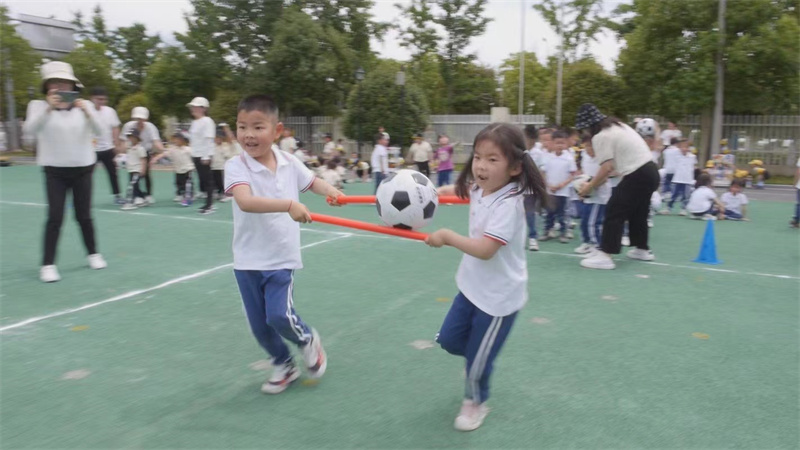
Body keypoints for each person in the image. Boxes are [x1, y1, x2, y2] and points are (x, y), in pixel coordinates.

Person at [424, 123, 547, 431]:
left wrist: (448, 237)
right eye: (478, 156)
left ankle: (475, 401)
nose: (481, 165)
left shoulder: (510, 203)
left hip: (498, 299)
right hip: (471, 287)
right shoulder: (482, 187)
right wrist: (443, 191)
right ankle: (478, 361)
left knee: (478, 362)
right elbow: (465, 191)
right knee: (451, 340)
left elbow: (486, 249)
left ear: (515, 167)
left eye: (493, 159)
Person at [224, 95, 344, 394]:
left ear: (276, 130)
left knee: (279, 315)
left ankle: (306, 340)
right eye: (242, 127)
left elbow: (312, 181)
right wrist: (288, 204)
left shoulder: (290, 162)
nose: (248, 135)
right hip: (247, 259)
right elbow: (246, 201)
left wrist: (331, 190)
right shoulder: (235, 165)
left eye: (257, 127)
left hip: (280, 256)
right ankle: (283, 364)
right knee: (260, 326)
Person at [23, 61, 107, 282]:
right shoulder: (38, 107)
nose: (60, 87)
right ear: (47, 87)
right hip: (55, 171)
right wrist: (49, 108)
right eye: (55, 83)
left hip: (83, 169)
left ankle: (93, 253)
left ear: (73, 86)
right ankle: (48, 265)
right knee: (55, 217)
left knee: (84, 216)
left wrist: (88, 111)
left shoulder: (84, 106)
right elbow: (29, 131)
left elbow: (100, 130)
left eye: (65, 83)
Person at [575, 103, 660, 270]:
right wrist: (594, 182)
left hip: (637, 173)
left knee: (614, 210)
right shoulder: (618, 126)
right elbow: (613, 168)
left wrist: (589, 187)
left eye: (584, 129)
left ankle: (606, 255)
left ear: (589, 126)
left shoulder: (601, 136)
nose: (584, 133)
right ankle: (642, 249)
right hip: (650, 172)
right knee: (639, 212)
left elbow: (606, 168)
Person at [121, 107, 165, 204]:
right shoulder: (128, 126)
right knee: (133, 174)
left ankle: (148, 195)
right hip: (132, 152)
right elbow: (123, 142)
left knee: (146, 174)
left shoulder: (151, 127)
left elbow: (156, 142)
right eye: (137, 118)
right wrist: (122, 154)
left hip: (145, 152)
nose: (139, 121)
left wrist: (164, 150)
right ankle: (137, 195)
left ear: (146, 119)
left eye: (142, 118)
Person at [540, 129, 577, 244]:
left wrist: (562, 184)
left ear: (566, 143)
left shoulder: (569, 158)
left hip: (563, 191)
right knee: (549, 213)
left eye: (562, 143)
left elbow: (572, 174)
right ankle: (547, 231)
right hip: (550, 191)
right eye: (557, 143)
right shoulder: (547, 157)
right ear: (552, 143)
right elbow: (543, 173)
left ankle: (563, 233)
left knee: (562, 214)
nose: (559, 145)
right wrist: (548, 185)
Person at [575, 136, 611, 254]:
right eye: (586, 146)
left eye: (590, 146)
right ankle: (587, 243)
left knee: (593, 222)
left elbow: (604, 178)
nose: (588, 149)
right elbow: (584, 175)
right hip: (587, 196)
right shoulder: (585, 156)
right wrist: (581, 190)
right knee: (584, 221)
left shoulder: (602, 159)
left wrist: (590, 186)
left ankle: (598, 247)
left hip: (599, 197)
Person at [89, 87, 124, 204]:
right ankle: (79, 199)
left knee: (113, 173)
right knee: (85, 176)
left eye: (104, 99)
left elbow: (115, 128)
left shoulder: (110, 111)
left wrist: (117, 145)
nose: (101, 102)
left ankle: (117, 196)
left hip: (108, 148)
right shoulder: (85, 110)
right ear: (92, 98)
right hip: (90, 150)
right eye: (99, 99)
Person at [187, 97, 216, 214]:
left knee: (207, 180)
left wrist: (206, 156)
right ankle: (207, 203)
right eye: (192, 107)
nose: (192, 109)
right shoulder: (194, 122)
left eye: (195, 107)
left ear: (203, 109)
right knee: (202, 180)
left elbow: (208, 140)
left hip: (203, 155)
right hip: (196, 154)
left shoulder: (207, 121)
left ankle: (209, 205)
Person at [151, 132, 195, 205]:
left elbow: (194, 156)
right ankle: (179, 194)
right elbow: (164, 154)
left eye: (177, 139)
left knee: (188, 184)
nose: (175, 141)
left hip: (188, 169)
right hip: (178, 170)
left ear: (182, 140)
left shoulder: (188, 149)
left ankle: (189, 196)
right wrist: (156, 158)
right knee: (179, 183)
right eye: (174, 139)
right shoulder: (172, 149)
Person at [524, 125, 545, 251]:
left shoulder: (538, 153)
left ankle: (533, 237)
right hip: (518, 188)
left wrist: (541, 187)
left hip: (531, 188)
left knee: (530, 213)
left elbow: (541, 171)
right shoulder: (519, 150)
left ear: (532, 138)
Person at [662, 138, 695, 215]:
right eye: (682, 147)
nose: (684, 149)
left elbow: (693, 167)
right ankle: (668, 208)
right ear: (679, 147)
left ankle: (683, 209)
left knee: (685, 196)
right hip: (677, 179)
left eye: (686, 147)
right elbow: (668, 151)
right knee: (673, 195)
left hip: (687, 180)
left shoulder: (692, 157)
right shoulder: (676, 155)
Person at [120, 129, 148, 211]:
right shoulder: (129, 147)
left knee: (131, 185)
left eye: (132, 137)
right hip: (130, 169)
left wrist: (143, 169)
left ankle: (129, 202)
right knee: (135, 186)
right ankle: (142, 198)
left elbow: (143, 160)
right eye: (129, 137)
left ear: (137, 138)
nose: (130, 139)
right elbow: (122, 151)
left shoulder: (140, 148)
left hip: (137, 169)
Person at [212, 129, 234, 202]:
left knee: (223, 181)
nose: (218, 140)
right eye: (216, 138)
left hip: (222, 167)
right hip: (214, 166)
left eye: (219, 138)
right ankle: (220, 192)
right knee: (217, 181)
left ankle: (228, 194)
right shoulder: (212, 146)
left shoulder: (225, 146)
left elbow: (227, 156)